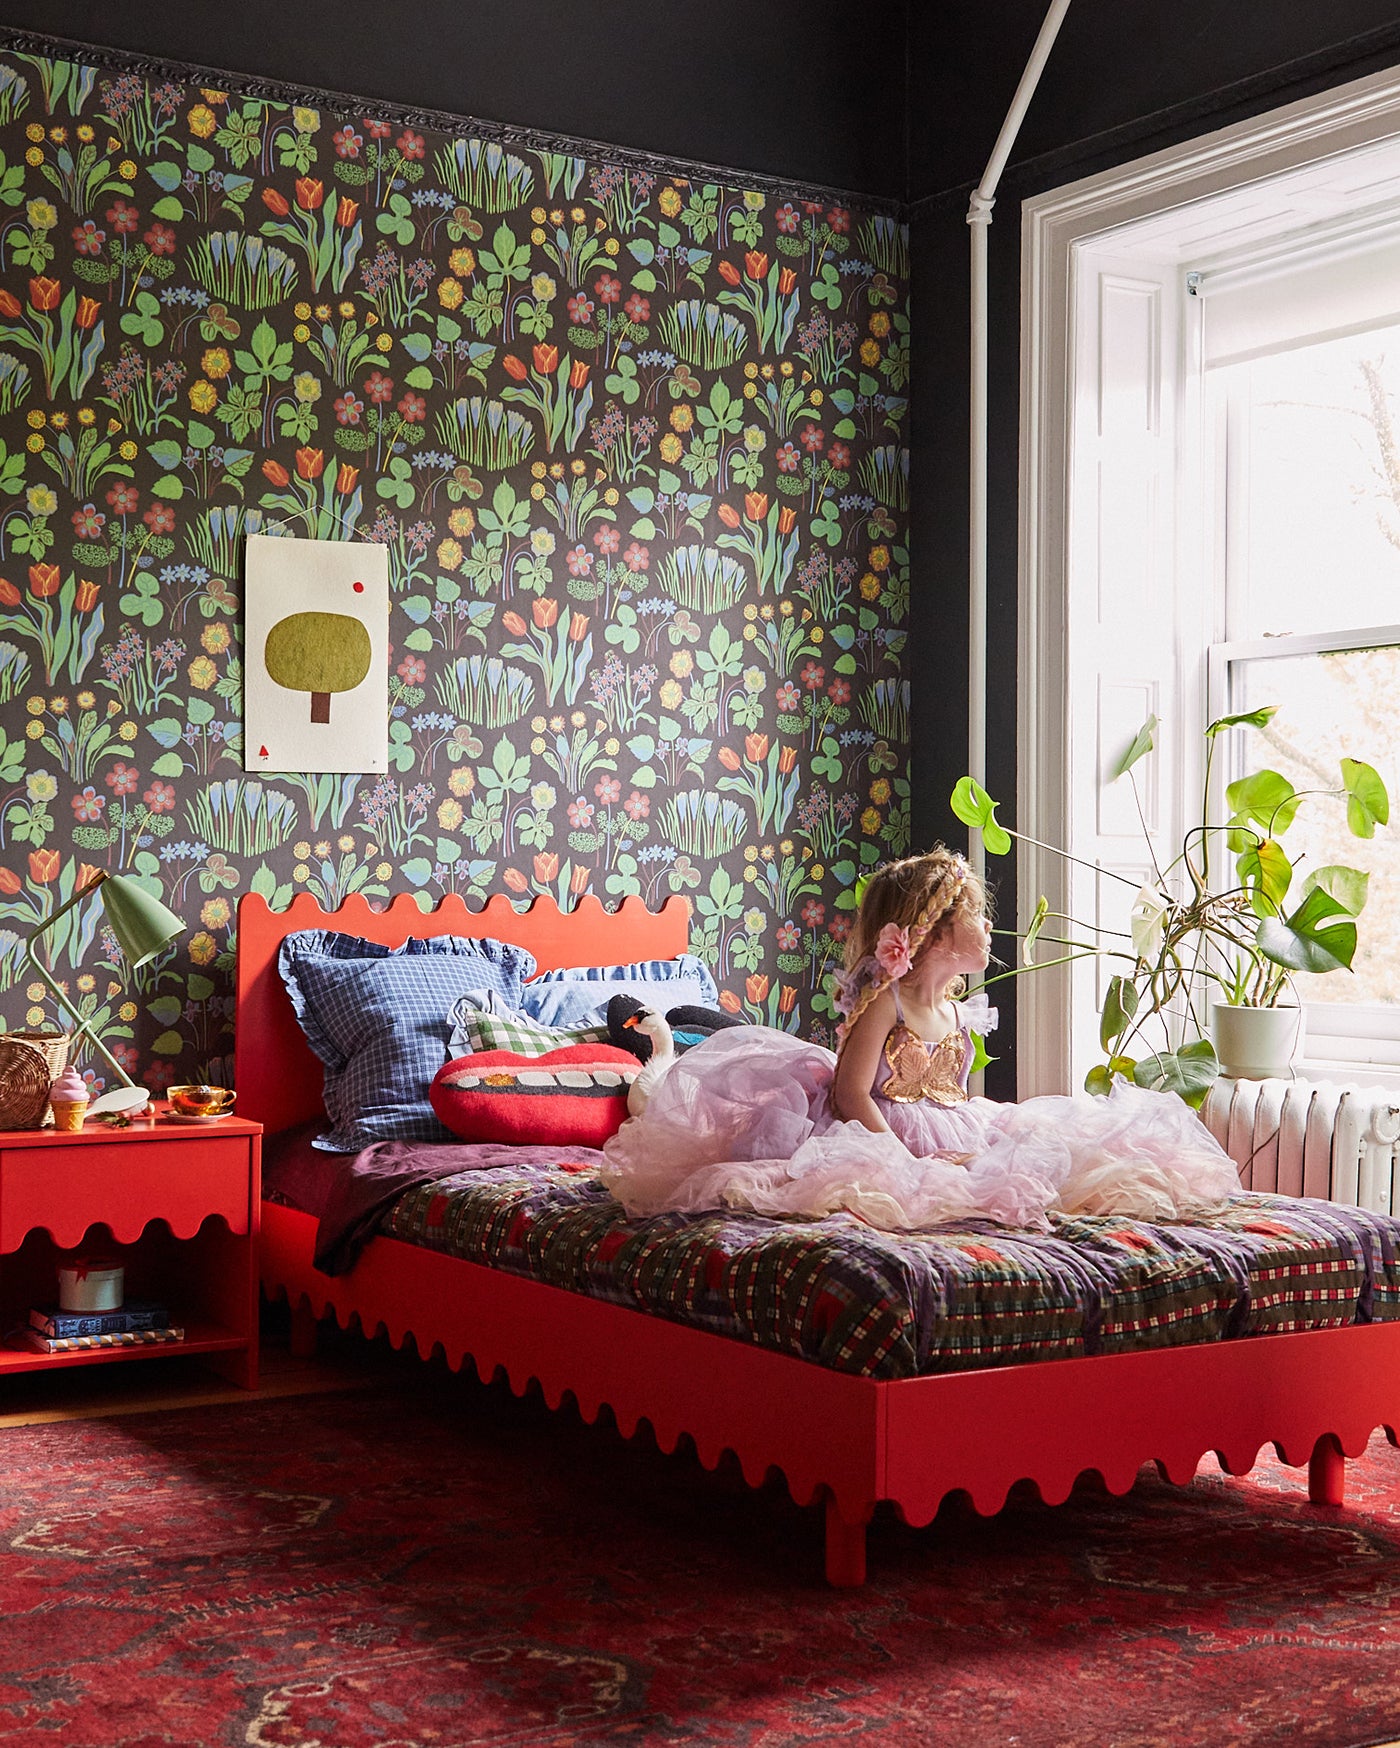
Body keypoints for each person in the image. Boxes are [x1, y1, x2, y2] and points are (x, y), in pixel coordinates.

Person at [598, 847, 1239, 1231]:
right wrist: (900, 1159)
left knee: (1052, 1156)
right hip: (876, 1129)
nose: (990, 926)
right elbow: (853, 1095)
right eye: (975, 916)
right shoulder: (889, 1003)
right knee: (911, 1190)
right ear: (933, 934)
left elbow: (951, 1098)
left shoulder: (960, 1013)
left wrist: (968, 1146)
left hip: (949, 1126)